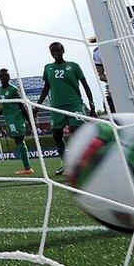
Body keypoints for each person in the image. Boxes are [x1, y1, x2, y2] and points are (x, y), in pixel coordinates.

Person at [34, 42, 95, 176]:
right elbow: (46, 87)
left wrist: (92, 105)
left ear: (63, 50)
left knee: (77, 132)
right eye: (52, 50)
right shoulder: (48, 68)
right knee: (56, 135)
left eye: (57, 49)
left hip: (74, 104)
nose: (54, 52)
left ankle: (85, 162)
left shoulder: (73, 66)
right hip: (56, 106)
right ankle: (66, 163)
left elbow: (86, 85)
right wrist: (37, 105)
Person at [0, 68, 33, 175]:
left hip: (16, 118)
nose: (4, 77)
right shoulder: (0, 90)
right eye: (2, 76)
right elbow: (5, 106)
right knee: (18, 141)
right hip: (10, 119)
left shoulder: (13, 89)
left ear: (9, 77)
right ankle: (27, 167)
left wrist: (30, 122)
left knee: (19, 140)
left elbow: (21, 106)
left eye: (6, 76)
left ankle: (27, 168)